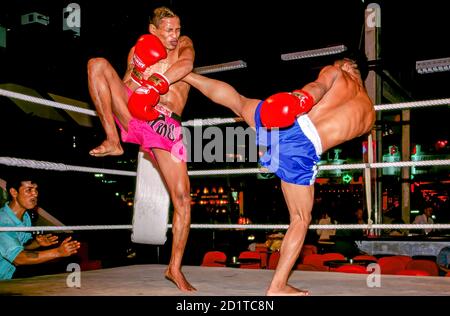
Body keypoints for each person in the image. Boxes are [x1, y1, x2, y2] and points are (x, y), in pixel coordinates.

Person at [183, 56, 375, 295]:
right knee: (300, 219)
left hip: (288, 122)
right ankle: (278, 285)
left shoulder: (337, 72)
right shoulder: (370, 117)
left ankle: (185, 75)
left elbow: (317, 88)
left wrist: (298, 98)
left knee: (238, 102)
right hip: (303, 149)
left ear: (348, 64)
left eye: (339, 63)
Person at [86, 7, 195, 291]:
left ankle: (174, 268)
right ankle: (112, 140)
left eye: (177, 29)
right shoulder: (138, 48)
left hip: (165, 125)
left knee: (183, 199)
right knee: (97, 64)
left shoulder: (183, 45)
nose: (174, 35)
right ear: (153, 30)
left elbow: (186, 65)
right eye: (169, 30)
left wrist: (156, 83)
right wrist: (137, 75)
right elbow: (121, 86)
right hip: (135, 114)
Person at [0, 174, 80, 280]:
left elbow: (20, 246)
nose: (35, 194)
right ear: (14, 192)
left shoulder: (26, 217)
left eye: (36, 190)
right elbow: (18, 258)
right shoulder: (4, 222)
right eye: (29, 190)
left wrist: (36, 243)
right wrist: (58, 252)